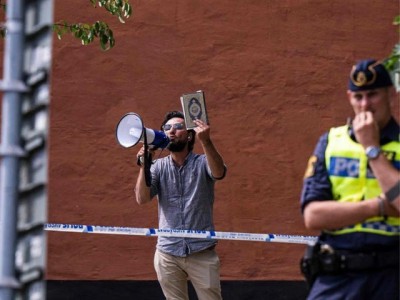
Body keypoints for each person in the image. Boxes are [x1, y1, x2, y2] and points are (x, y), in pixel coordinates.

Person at [300, 59, 400, 300]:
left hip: (392, 275)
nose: (365, 105)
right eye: (358, 97)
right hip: (338, 274)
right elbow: (313, 216)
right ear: (349, 97)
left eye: (373, 95)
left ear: (391, 94)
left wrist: (372, 149)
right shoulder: (331, 142)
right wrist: (378, 206)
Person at [135, 110, 227, 300]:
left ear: (190, 134)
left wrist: (206, 141)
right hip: (168, 252)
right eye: (167, 128)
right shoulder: (158, 166)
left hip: (201, 252)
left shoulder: (202, 163)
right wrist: (145, 164)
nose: (172, 131)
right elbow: (142, 198)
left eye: (178, 127)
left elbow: (218, 172)